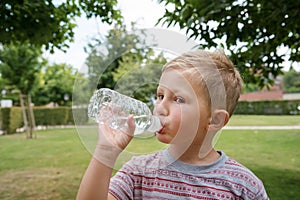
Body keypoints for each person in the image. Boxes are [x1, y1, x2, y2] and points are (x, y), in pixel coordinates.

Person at [76, 50, 269, 200]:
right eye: (160, 96)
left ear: (215, 120)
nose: (160, 107)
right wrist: (105, 153)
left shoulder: (243, 186)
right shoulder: (139, 172)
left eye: (178, 99)